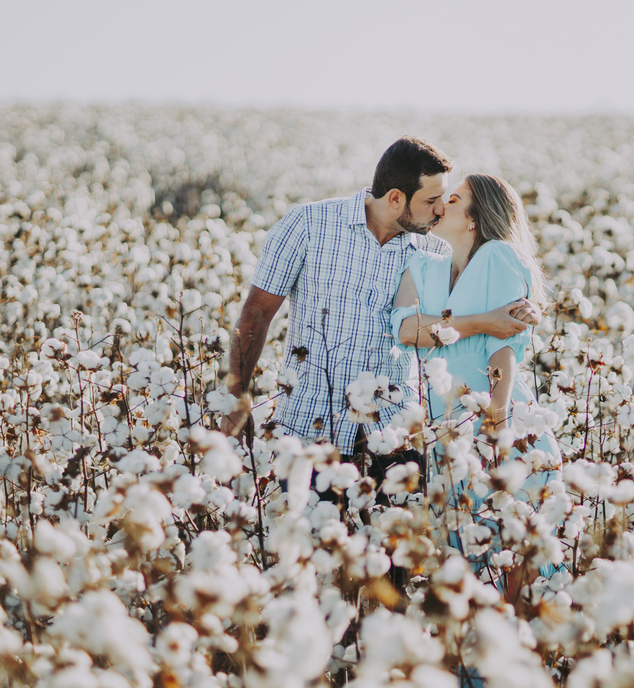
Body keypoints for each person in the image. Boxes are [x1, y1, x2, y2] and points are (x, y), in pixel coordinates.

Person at [221, 139, 539, 484]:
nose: (439, 210)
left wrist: (524, 307)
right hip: (308, 429)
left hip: (395, 438)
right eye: (431, 201)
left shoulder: (432, 248)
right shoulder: (308, 225)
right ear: (395, 199)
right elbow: (257, 312)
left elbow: (482, 288)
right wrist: (236, 394)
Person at [389, 173, 563, 604]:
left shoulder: (497, 256)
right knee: (465, 565)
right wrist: (477, 322)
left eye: (454, 198)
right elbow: (407, 329)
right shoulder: (422, 265)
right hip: (447, 435)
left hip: (498, 431)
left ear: (474, 219)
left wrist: (496, 427)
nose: (440, 204)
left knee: (510, 567)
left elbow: (503, 347)